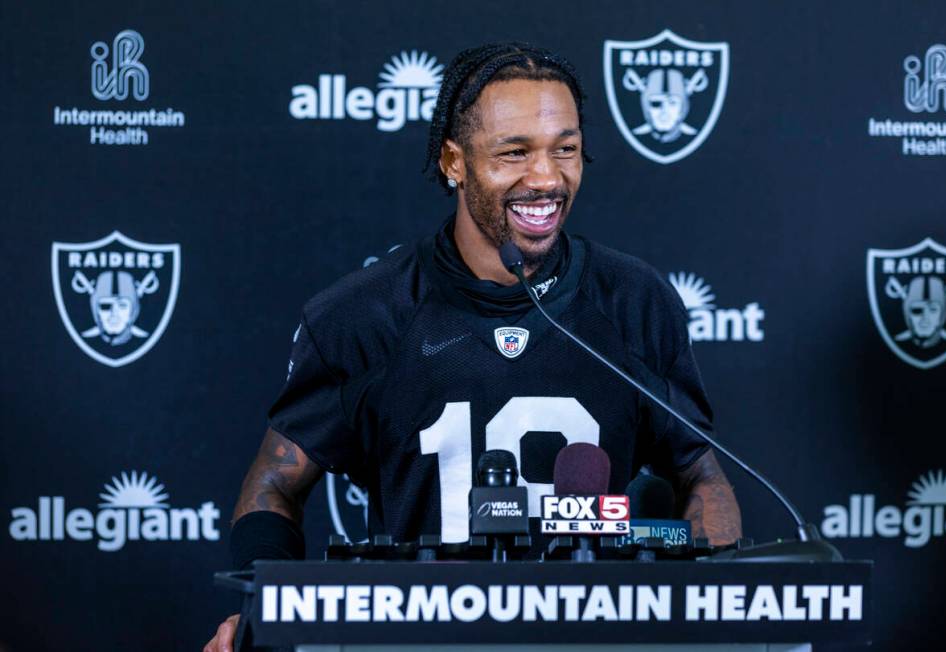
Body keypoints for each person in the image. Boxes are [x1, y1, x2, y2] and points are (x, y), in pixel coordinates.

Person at [204, 42, 741, 652]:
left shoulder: (635, 302)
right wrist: (260, 611)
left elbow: (702, 475)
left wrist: (712, 606)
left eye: (565, 149)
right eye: (514, 153)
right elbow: (275, 482)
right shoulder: (366, 314)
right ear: (454, 161)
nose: (546, 178)